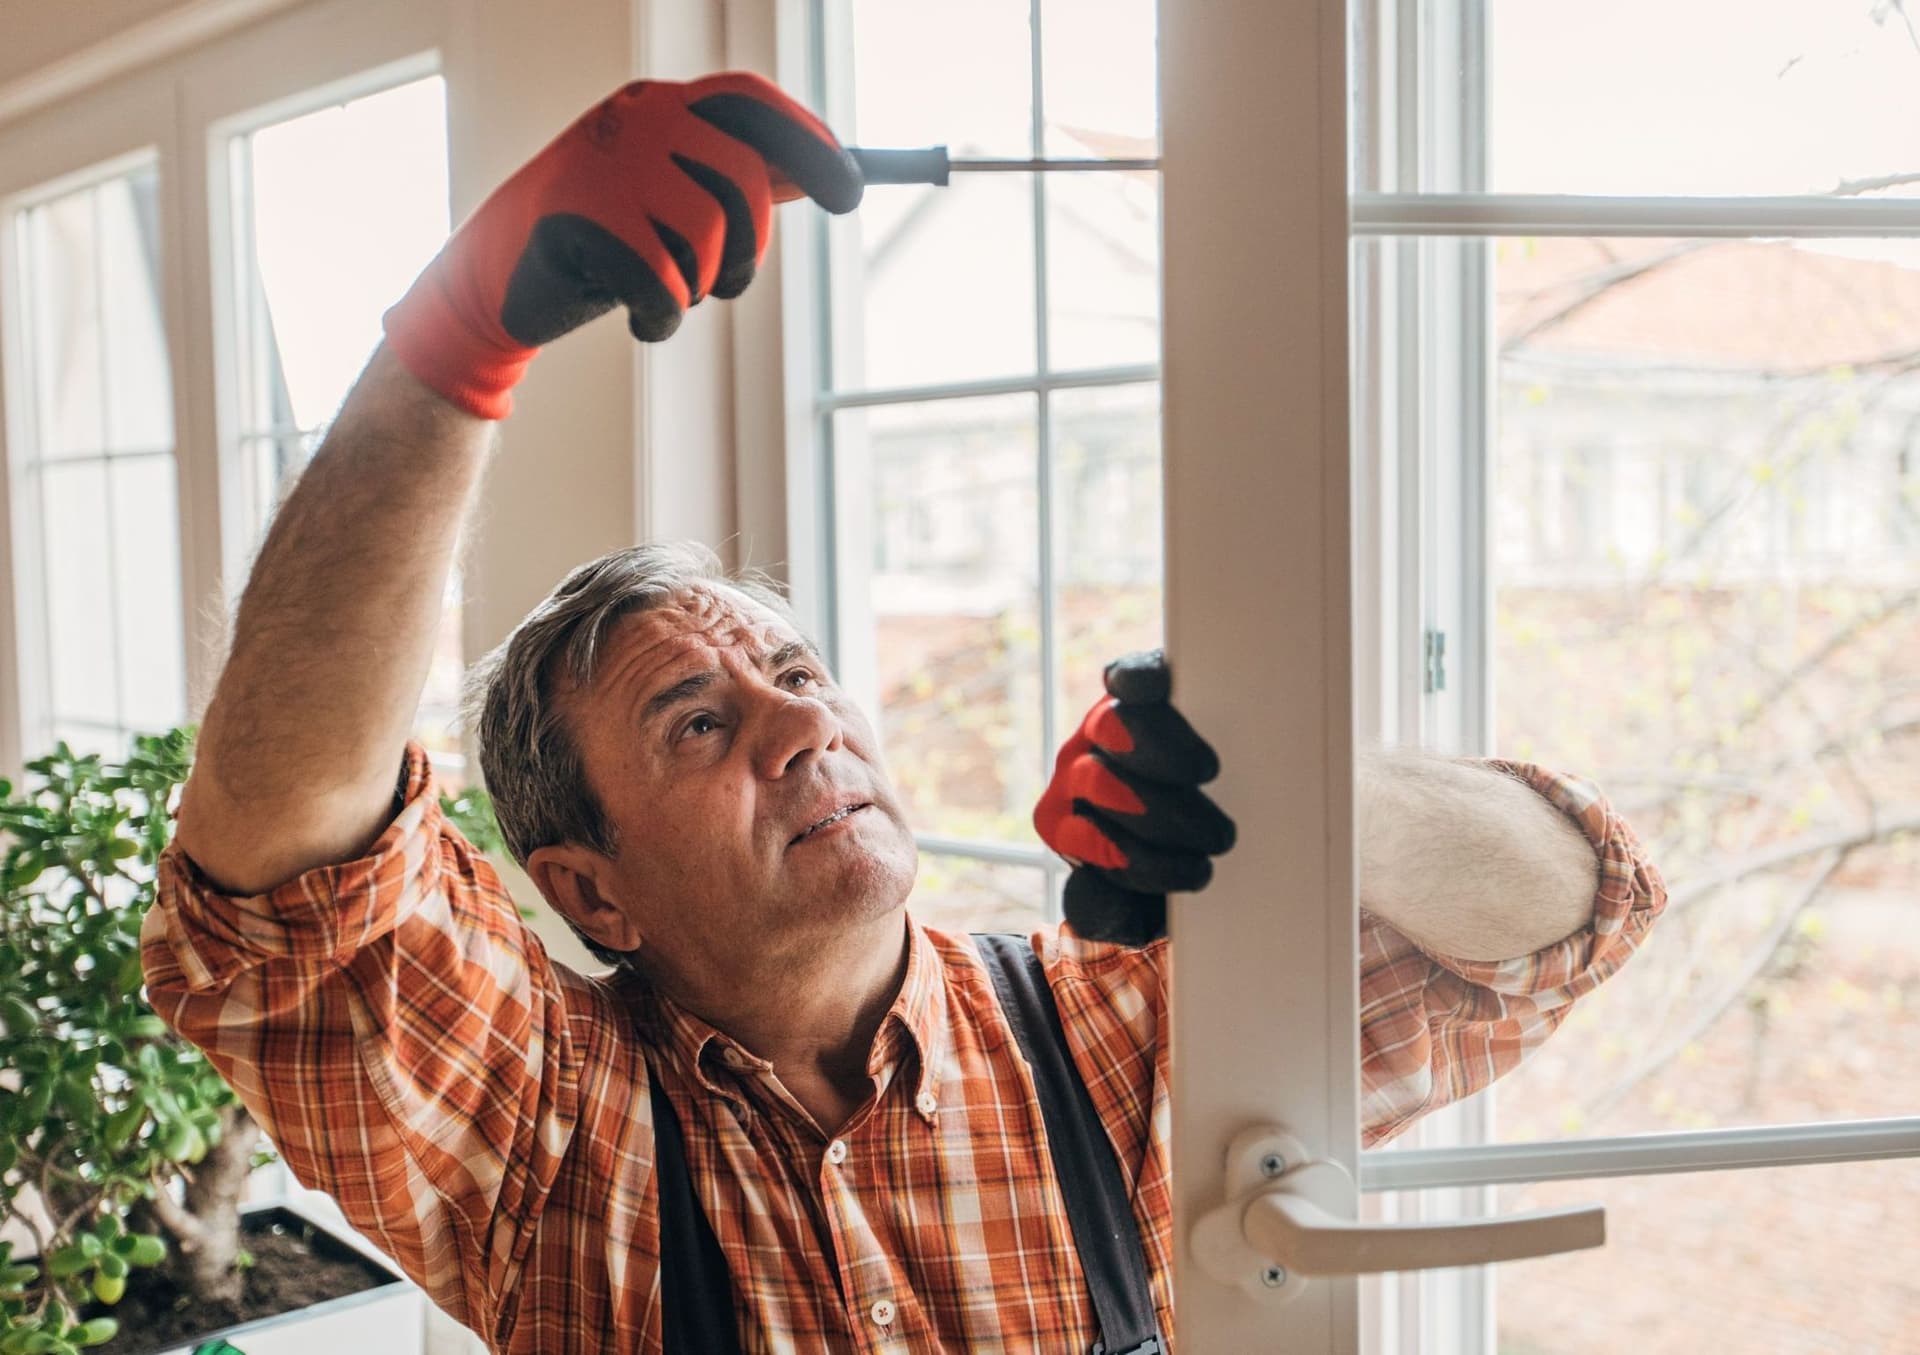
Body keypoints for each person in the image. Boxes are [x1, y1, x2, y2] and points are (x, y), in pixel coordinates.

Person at [141, 73, 1667, 1353]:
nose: (801, 733)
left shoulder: (1110, 1040)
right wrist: (456, 341)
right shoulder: (545, 1127)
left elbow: (1565, 917)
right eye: (695, 722)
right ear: (592, 888)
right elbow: (284, 873)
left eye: (797, 678)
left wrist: (1292, 788)